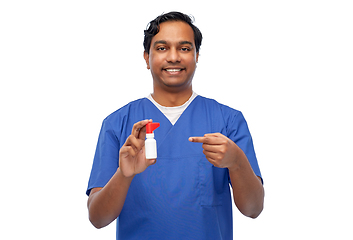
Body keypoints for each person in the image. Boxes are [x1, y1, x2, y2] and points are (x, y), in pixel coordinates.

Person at [86, 11, 264, 240]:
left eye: (184, 48)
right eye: (161, 48)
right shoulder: (117, 124)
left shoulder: (227, 121)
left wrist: (237, 162)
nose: (173, 57)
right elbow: (97, 219)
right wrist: (124, 174)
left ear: (197, 55)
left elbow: (253, 209)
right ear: (146, 57)